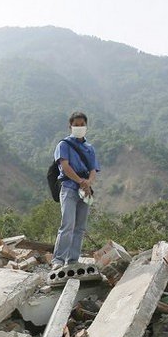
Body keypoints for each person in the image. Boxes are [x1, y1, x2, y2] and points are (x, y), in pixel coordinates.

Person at [51, 111, 100, 269]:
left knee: (80, 227)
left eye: (82, 125)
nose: (79, 127)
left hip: (85, 191)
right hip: (69, 188)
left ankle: (73, 260)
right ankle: (58, 260)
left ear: (86, 126)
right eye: (76, 125)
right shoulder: (63, 145)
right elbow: (65, 167)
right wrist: (80, 181)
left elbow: (93, 170)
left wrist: (88, 183)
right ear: (70, 126)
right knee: (68, 224)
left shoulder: (89, 148)